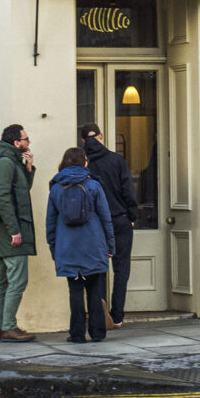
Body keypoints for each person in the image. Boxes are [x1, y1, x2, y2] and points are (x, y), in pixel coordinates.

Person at [46, 147, 115, 343]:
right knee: (94, 289)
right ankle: (98, 332)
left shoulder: (57, 187)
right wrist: (111, 245)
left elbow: (50, 222)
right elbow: (105, 218)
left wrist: (54, 247)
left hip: (67, 246)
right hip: (93, 244)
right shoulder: (93, 185)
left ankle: (77, 334)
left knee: (75, 290)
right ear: (84, 162)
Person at [80, 123, 139, 330]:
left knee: (98, 269)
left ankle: (99, 315)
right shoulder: (116, 160)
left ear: (83, 141)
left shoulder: (84, 164)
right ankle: (117, 316)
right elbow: (128, 191)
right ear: (101, 136)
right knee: (121, 270)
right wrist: (132, 215)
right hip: (119, 219)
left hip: (95, 223)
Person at [0, 124, 37, 342]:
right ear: (16, 143)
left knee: (1, 280)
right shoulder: (6, 162)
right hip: (10, 230)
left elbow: (21, 191)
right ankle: (8, 326)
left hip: (4, 229)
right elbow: (1, 196)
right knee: (17, 279)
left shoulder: (10, 161)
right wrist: (14, 230)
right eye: (26, 139)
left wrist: (28, 168)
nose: (28, 143)